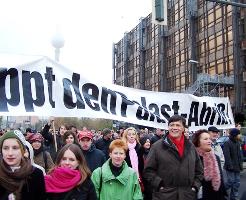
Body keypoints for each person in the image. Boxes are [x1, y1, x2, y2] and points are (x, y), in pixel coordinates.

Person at [143, 115, 203, 200]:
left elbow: (199, 171)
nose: (174, 128)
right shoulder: (157, 147)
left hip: (187, 195)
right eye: (171, 125)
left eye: (178, 125)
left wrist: (195, 187)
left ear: (183, 128)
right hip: (164, 196)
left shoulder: (191, 147)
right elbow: (148, 171)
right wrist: (159, 185)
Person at [0, 130, 46, 200]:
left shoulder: (36, 174)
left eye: (15, 148)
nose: (10, 153)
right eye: (5, 148)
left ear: (23, 150)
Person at [192, 129, 227, 200]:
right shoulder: (193, 159)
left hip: (218, 196)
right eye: (205, 139)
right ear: (198, 142)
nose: (209, 141)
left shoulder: (215, 157)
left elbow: (221, 180)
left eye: (209, 139)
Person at [223, 128, 243, 200]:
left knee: (237, 183)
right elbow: (227, 156)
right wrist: (230, 166)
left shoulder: (238, 142)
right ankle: (221, 190)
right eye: (238, 134)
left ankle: (234, 197)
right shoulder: (227, 143)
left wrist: (241, 165)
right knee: (231, 182)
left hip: (237, 167)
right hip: (230, 167)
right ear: (235, 135)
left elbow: (240, 155)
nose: (240, 135)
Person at [139, 135, 152, 200]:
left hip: (150, 178)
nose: (148, 143)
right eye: (146, 142)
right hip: (142, 178)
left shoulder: (152, 152)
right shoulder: (139, 153)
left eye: (149, 142)